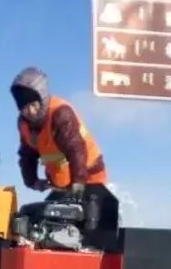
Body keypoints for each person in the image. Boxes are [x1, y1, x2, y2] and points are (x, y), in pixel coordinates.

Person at [10, 67, 108, 200]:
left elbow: (75, 149)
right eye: (24, 108)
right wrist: (32, 181)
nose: (31, 112)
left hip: (90, 177)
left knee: (89, 216)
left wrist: (78, 181)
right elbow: (27, 154)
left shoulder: (60, 114)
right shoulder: (24, 125)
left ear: (42, 100)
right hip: (61, 185)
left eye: (34, 105)